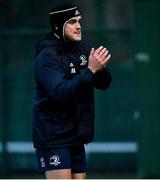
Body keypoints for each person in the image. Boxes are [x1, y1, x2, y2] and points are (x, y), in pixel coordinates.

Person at [32, 3, 112, 179]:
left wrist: (100, 69)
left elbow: (104, 84)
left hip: (76, 135)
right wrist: (90, 70)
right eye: (72, 22)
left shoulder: (82, 47)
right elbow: (60, 93)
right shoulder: (47, 56)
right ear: (58, 26)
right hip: (53, 136)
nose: (78, 26)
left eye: (79, 21)